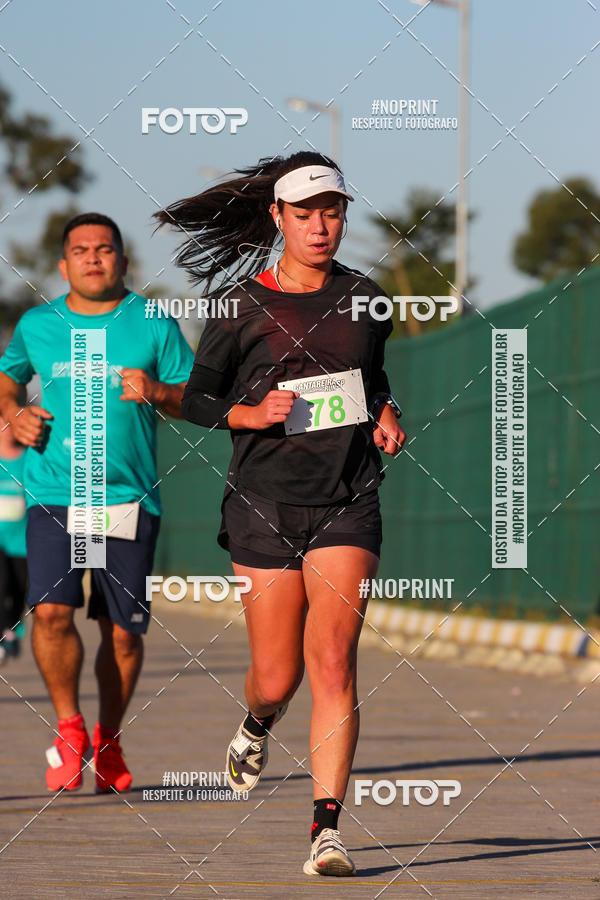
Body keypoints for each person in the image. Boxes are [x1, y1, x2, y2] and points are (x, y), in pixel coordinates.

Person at [156, 151, 405, 877]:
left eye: (332, 211)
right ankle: (258, 721)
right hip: (263, 503)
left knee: (333, 662)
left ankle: (326, 830)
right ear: (278, 218)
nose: (321, 226)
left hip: (348, 498)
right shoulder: (240, 305)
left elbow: (373, 377)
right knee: (277, 676)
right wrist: (248, 411)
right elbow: (197, 398)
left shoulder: (367, 298)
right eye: (305, 213)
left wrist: (388, 411)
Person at [0, 213, 194, 793]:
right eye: (80, 250)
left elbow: (191, 397)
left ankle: (109, 737)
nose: (93, 258)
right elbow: (7, 379)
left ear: (122, 261)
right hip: (56, 492)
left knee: (123, 633)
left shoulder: (153, 322)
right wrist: (16, 412)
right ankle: (69, 727)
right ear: (63, 266)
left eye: (104, 249)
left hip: (127, 498)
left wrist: (159, 391)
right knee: (52, 613)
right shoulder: (39, 324)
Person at [0, 413, 27, 664]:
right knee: (1, 583)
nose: (6, 428)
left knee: (19, 590)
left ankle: (13, 630)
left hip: (22, 541)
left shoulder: (29, 460)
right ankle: (5, 632)